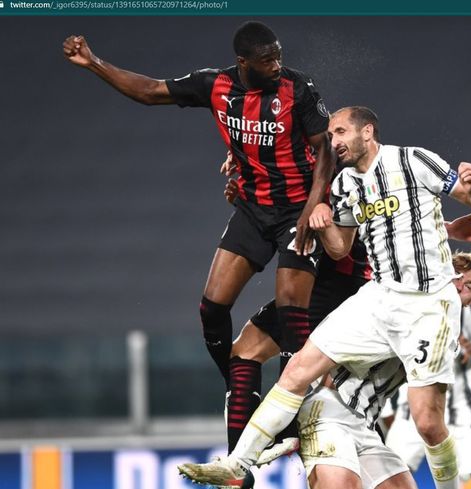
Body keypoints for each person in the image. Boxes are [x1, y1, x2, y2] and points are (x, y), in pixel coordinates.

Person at [178, 105, 471, 489]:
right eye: (331, 135)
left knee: (427, 422)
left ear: (368, 132)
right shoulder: (343, 185)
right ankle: (238, 464)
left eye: (342, 132)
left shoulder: (412, 160)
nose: (335, 141)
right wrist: (322, 220)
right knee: (293, 369)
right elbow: (340, 247)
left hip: (421, 304)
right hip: (377, 296)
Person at [62, 21, 335, 445]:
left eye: (279, 55)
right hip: (252, 210)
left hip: (297, 212)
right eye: (268, 60)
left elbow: (325, 150)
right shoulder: (215, 85)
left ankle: (296, 412)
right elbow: (152, 91)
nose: (277, 64)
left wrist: (316, 203)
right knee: (212, 309)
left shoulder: (298, 90)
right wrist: (94, 63)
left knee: (290, 310)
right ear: (244, 63)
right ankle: (237, 384)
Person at [382, 253, 471, 489]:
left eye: (468, 285)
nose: (459, 286)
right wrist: (387, 410)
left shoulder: (470, 312)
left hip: (464, 408)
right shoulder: (410, 305)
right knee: (386, 481)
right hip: (413, 409)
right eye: (456, 277)